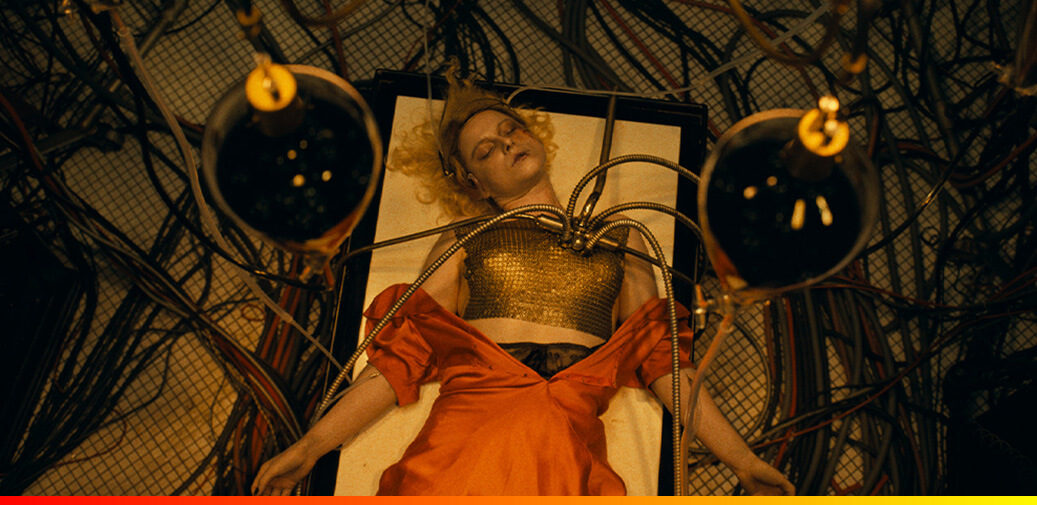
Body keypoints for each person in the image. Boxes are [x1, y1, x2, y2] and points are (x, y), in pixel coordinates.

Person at [251, 66, 795, 496]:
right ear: (475, 183)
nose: (507, 144)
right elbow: (395, 364)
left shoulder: (623, 237)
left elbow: (670, 368)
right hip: (463, 450)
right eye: (486, 150)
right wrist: (311, 447)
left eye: (511, 130)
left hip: (566, 455)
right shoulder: (465, 238)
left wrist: (742, 461)